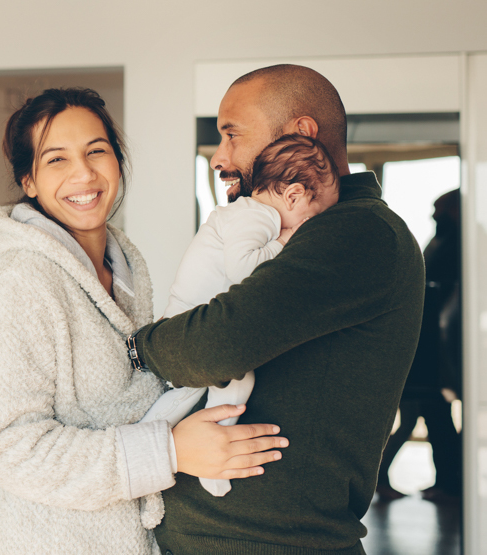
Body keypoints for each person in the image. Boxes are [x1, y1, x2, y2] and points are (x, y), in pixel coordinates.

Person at [0, 88, 286, 555]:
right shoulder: (18, 282)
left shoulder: (125, 263)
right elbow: (16, 452)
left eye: (97, 151)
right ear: (28, 180)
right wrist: (170, 451)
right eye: (57, 160)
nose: (84, 173)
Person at [125, 65, 424, 553]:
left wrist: (140, 343)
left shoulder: (358, 233)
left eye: (232, 134)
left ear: (301, 133)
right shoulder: (297, 230)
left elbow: (212, 347)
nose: (221, 156)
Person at [142, 133, 340, 499]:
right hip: (192, 320)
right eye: (312, 218)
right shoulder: (259, 217)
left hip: (187, 315)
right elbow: (242, 268)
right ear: (293, 195)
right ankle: (214, 454)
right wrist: (284, 243)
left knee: (187, 392)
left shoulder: (248, 214)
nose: (307, 228)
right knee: (236, 380)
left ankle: (153, 442)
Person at [377, 189, 463, 501]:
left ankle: (449, 482)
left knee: (424, 413)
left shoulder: (457, 245)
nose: (433, 215)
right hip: (424, 347)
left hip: (437, 347)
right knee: (422, 413)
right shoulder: (443, 243)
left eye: (439, 209)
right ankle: (447, 482)